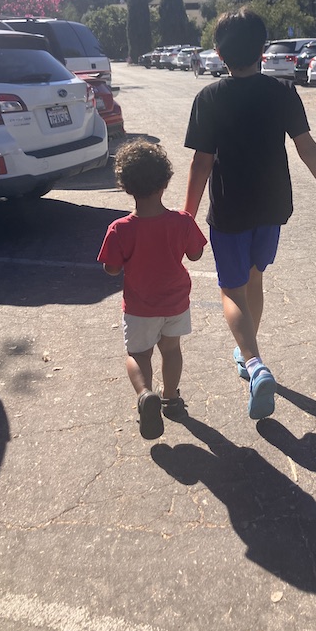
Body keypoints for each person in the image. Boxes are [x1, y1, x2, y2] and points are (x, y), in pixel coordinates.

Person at [183, 8, 316, 421]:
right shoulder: (282, 93)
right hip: (272, 208)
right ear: (263, 49)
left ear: (219, 54)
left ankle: (254, 363)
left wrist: (186, 217)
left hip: (231, 210)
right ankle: (247, 352)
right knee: (255, 278)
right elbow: (306, 147)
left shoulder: (209, 98)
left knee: (230, 290)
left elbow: (202, 164)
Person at [98, 138, 207, 440]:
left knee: (138, 354)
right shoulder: (181, 222)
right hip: (175, 303)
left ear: (125, 186)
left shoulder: (120, 229)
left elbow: (111, 268)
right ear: (165, 182)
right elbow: (196, 254)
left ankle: (146, 395)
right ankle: (170, 398)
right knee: (171, 351)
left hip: (139, 307)